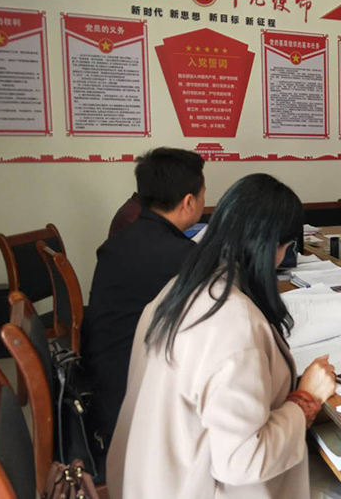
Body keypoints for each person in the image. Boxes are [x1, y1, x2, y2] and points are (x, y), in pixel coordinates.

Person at [107, 174, 336, 499]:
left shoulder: (180, 288)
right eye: (286, 248)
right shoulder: (233, 322)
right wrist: (306, 401)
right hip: (197, 486)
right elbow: (243, 461)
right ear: (271, 247)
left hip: (150, 480)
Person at [82, 147, 206, 458]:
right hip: (134, 409)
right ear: (189, 202)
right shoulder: (183, 257)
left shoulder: (117, 244)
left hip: (104, 384)